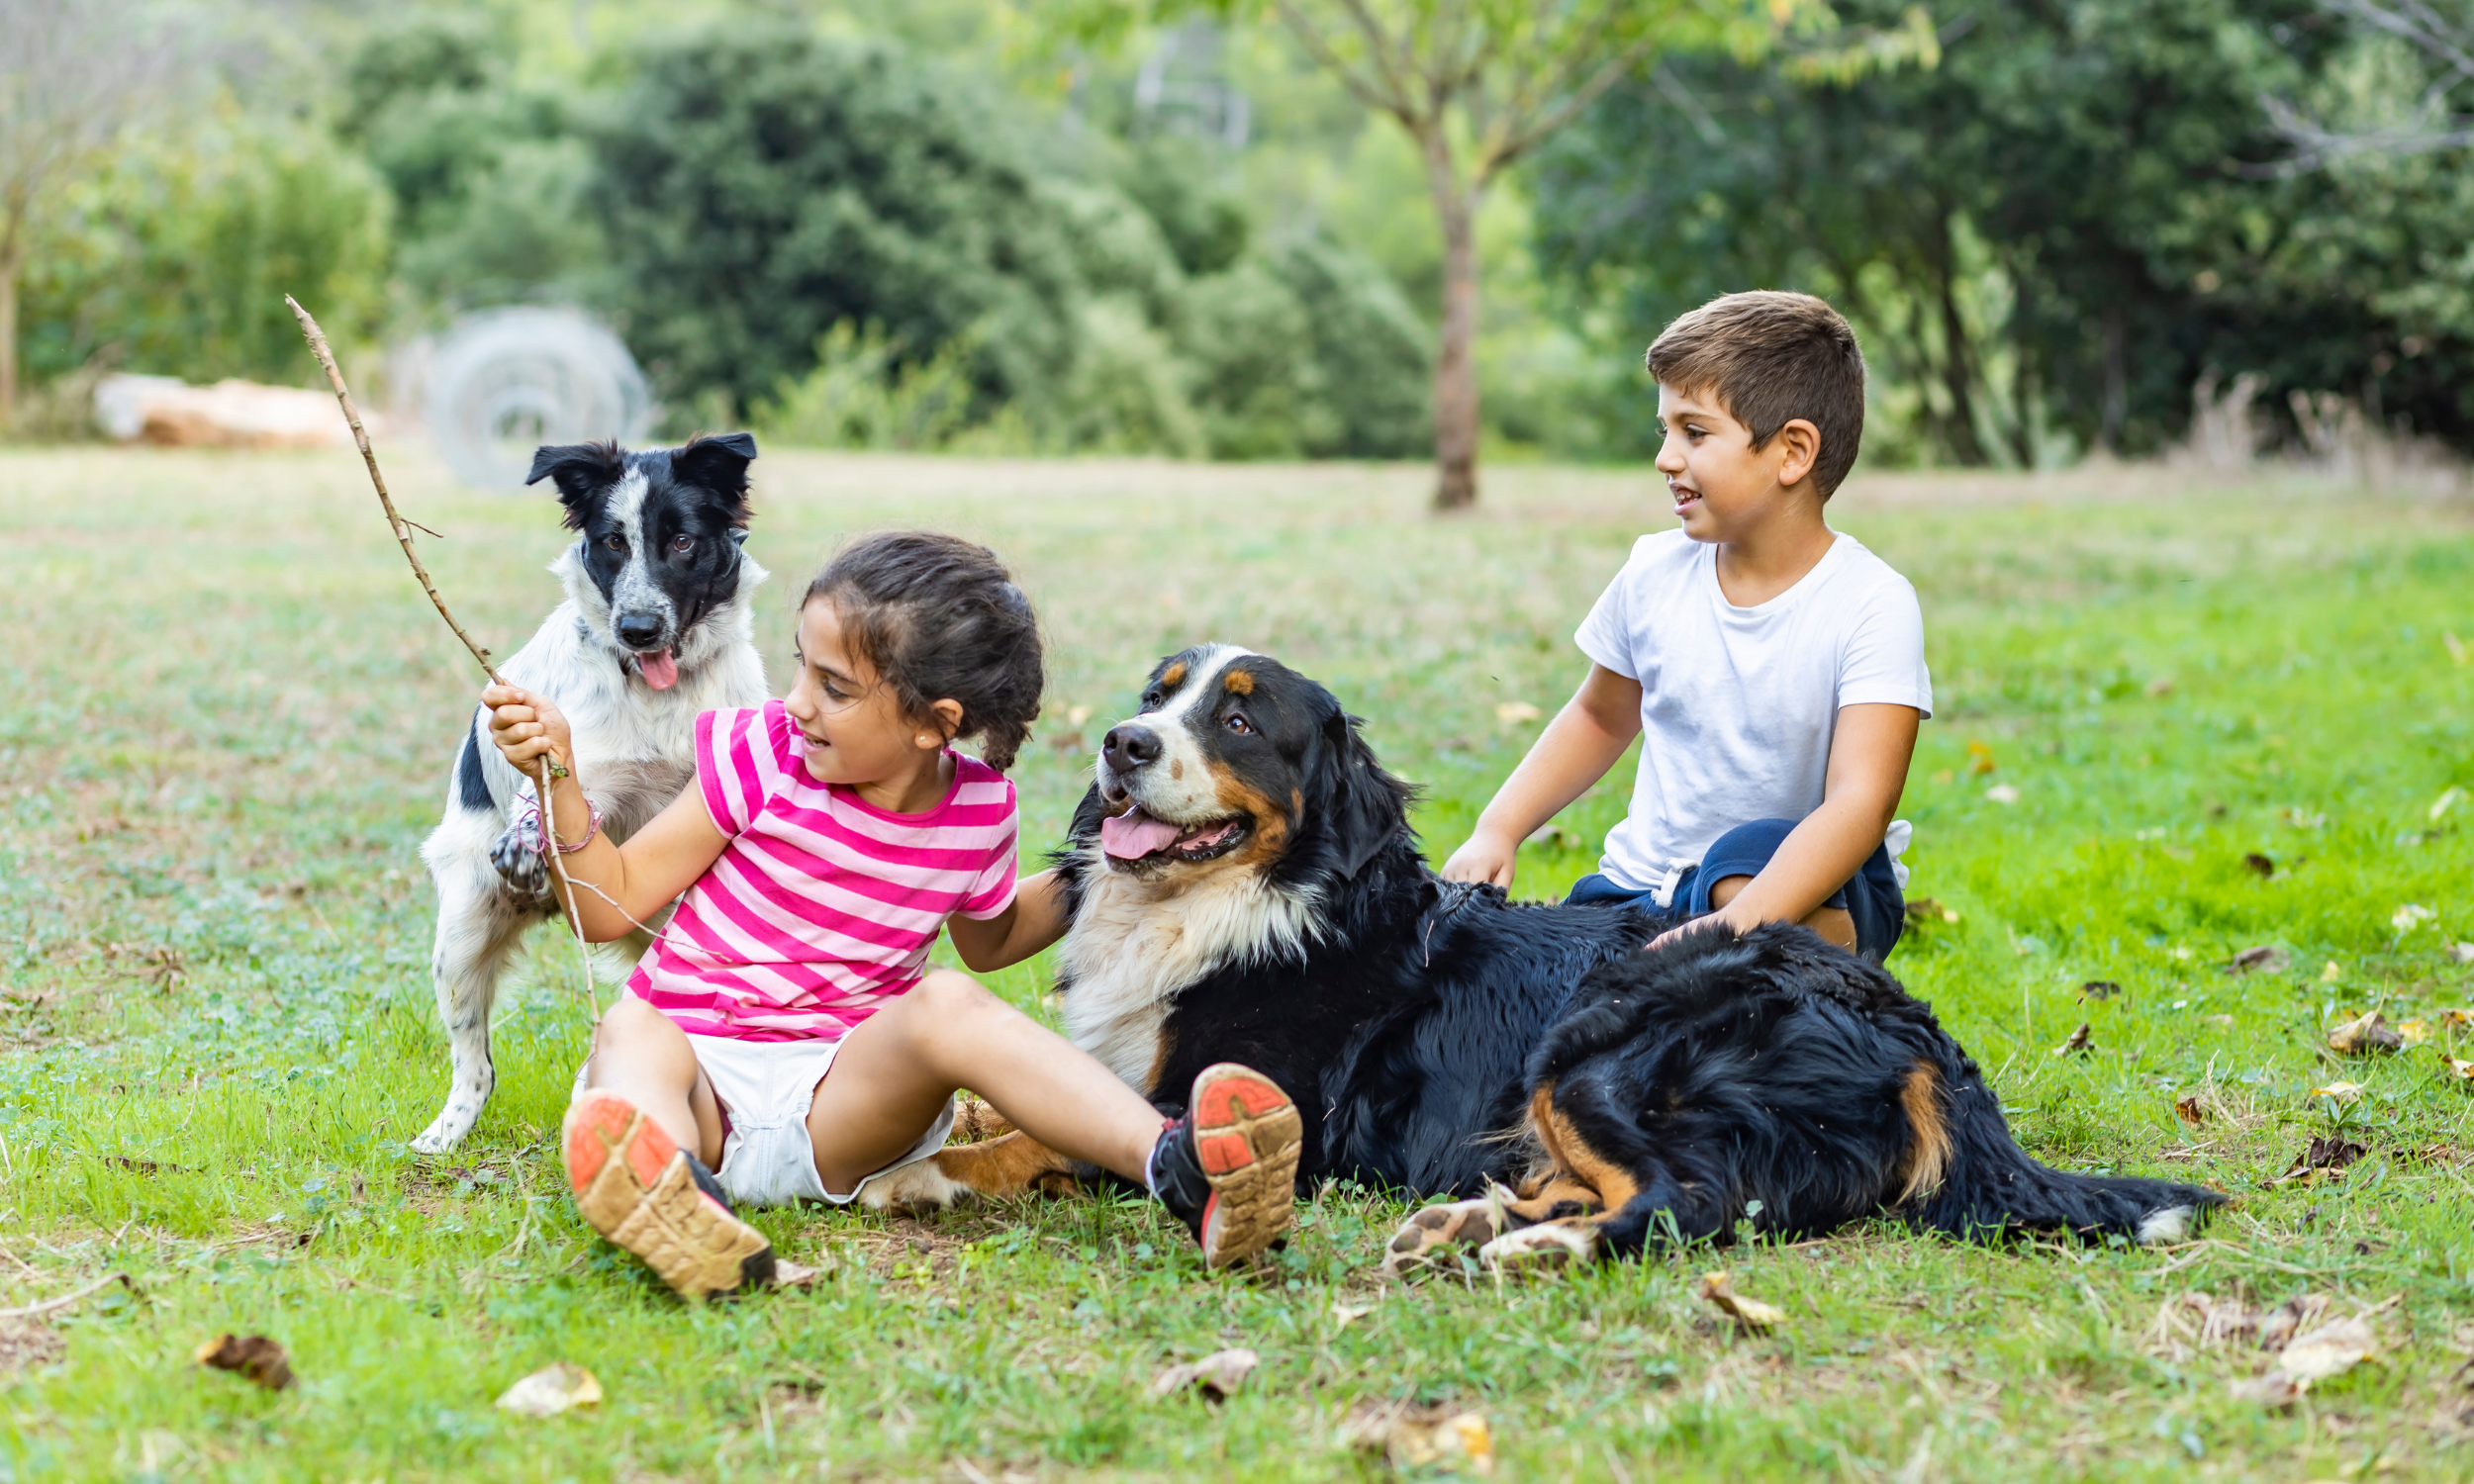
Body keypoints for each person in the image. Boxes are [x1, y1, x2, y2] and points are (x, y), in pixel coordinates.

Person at [482, 531, 1301, 1300]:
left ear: (934, 725)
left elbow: (990, 944)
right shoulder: (758, 753)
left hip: (844, 1102)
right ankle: (669, 1191)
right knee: (636, 1030)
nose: (798, 703)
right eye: (801, 668)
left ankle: (1179, 1169)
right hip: (697, 1091)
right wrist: (559, 781)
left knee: (946, 1001)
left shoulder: (978, 811)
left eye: (833, 688)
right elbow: (611, 904)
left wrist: (1124, 863)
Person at [1442, 291, 1931, 962]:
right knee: (1540, 989)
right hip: (1648, 889)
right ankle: (1695, 963)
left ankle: (1821, 961)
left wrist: (1727, 929)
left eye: (1694, 433)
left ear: (1792, 453)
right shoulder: (1654, 572)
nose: (1666, 457)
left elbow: (1860, 803)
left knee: (1737, 864)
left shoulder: (1871, 602)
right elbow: (1599, 717)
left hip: (1811, 885)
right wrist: (1498, 829)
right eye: (1664, 431)